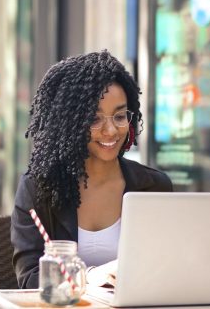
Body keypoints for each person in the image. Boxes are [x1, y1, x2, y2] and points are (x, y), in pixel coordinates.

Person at [11, 50, 173, 289]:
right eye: (95, 119)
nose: (111, 130)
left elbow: (168, 268)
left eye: (119, 116)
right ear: (69, 123)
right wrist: (91, 277)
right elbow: (30, 279)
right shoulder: (38, 189)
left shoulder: (153, 187)